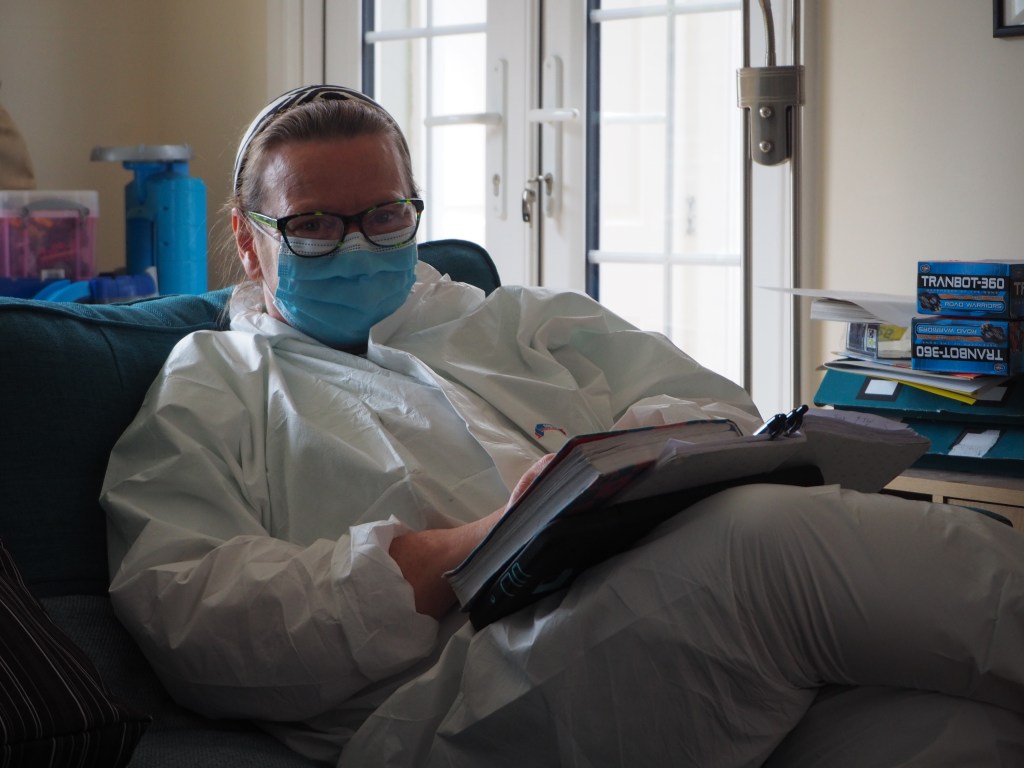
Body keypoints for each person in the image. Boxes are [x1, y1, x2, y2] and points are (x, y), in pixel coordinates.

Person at [101, 85, 1024, 768]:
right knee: (765, 546)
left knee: (964, 732)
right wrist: (469, 547)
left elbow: (720, 413)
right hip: (451, 705)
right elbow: (193, 621)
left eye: (382, 216)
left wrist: (620, 477)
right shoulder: (213, 384)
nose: (356, 245)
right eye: (313, 226)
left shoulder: (525, 319)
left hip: (676, 629)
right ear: (249, 236)